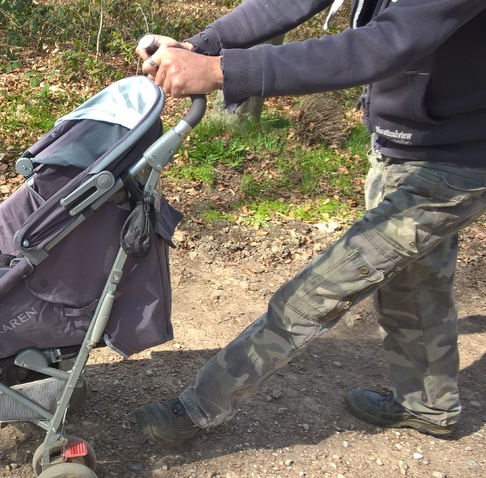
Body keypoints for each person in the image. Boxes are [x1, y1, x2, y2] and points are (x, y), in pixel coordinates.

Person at [134, 0, 486, 445]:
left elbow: (384, 45)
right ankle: (430, 406)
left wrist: (223, 70)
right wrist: (200, 45)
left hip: (454, 166)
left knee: (318, 291)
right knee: (414, 283)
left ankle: (199, 407)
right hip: (403, 148)